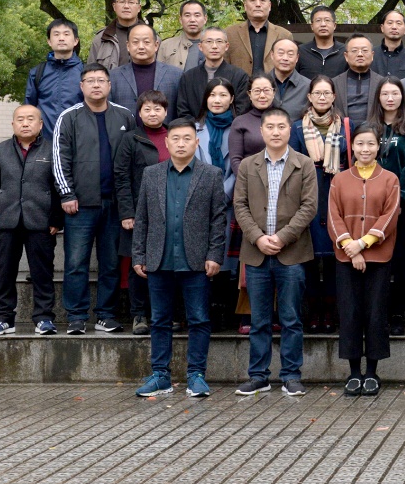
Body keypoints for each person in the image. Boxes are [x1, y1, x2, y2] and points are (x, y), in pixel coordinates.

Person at [131, 117, 228, 399]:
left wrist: (215, 254)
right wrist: (139, 254)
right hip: (159, 257)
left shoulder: (211, 174)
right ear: (167, 142)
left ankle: (196, 375)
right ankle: (160, 375)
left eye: (187, 138)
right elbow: (142, 217)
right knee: (160, 319)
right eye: (176, 138)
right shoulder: (152, 174)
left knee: (198, 318)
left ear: (196, 142)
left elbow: (218, 219)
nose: (181, 143)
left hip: (196, 260)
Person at [233, 107, 319, 397]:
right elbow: (240, 205)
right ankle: (258, 375)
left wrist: (282, 237)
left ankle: (291, 375)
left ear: (289, 130)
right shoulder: (248, 165)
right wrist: (257, 237)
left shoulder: (303, 164)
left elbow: (309, 207)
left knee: (291, 318)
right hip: (256, 253)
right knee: (259, 320)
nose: (275, 131)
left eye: (281, 126)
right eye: (270, 126)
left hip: (292, 253)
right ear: (261, 131)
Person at [53, 64, 135, 335]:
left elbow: (133, 158)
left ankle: (105, 315)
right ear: (82, 86)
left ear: (110, 85)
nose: (96, 85)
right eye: (90, 81)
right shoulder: (69, 117)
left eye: (101, 80)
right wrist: (67, 193)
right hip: (80, 204)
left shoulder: (125, 115)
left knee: (110, 263)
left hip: (115, 203)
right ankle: (76, 316)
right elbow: (60, 158)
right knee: (76, 263)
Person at [328, 124, 400, 397]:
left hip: (379, 259)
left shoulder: (390, 179)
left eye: (370, 143)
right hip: (346, 259)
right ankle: (353, 372)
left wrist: (364, 244)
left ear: (378, 146)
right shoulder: (339, 179)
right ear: (352, 146)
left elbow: (390, 215)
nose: (365, 149)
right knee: (350, 313)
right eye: (360, 143)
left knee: (375, 313)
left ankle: (372, 372)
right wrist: (351, 247)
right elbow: (333, 216)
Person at [0, 104, 62, 337]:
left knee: (42, 273)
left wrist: (56, 218)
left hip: (41, 221)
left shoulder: (52, 149)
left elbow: (58, 186)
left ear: (40, 124)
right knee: (4, 272)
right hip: (6, 220)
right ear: (13, 124)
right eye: (20, 119)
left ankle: (44, 318)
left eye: (30, 119)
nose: (25, 123)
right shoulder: (1, 149)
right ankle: (3, 318)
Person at [367, 78, 405, 337]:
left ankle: (398, 313)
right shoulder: (370, 128)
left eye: (395, 94)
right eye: (385, 94)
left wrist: (400, 200)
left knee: (402, 260)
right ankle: (376, 313)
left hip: (402, 206)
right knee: (376, 259)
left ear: (402, 96)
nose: (390, 98)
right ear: (378, 97)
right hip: (371, 206)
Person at [114, 90, 171, 336]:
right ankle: (139, 314)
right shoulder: (131, 139)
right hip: (139, 212)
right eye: (147, 109)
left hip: (170, 211)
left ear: (166, 112)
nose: (152, 113)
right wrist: (127, 212)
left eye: (158, 108)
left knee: (167, 263)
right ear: (139, 113)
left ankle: (165, 313)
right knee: (138, 264)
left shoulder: (173, 136)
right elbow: (121, 176)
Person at [300, 75, 351, 333]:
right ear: (309, 97)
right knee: (308, 259)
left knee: (333, 259)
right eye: (317, 93)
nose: (322, 97)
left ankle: (329, 312)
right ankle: (313, 312)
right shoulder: (297, 128)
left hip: (336, 194)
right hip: (307, 195)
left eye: (326, 93)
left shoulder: (346, 126)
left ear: (334, 96)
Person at [195, 79, 239, 320]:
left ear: (231, 99)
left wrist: (223, 193)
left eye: (223, 95)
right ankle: (203, 310)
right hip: (199, 201)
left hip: (229, 200)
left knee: (226, 257)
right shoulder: (195, 128)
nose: (217, 100)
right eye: (212, 95)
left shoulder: (239, 128)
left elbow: (241, 166)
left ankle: (223, 310)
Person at [175, 27, 251, 119]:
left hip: (230, 126)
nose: (214, 46)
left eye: (219, 41)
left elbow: (242, 109)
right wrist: (198, 126)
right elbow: (183, 111)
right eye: (209, 41)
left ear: (226, 46)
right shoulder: (188, 77)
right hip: (195, 127)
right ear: (200, 46)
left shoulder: (239, 76)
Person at [25, 18, 83, 135]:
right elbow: (29, 109)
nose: (61, 38)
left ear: (76, 41)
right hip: (44, 140)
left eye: (66, 34)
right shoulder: (37, 72)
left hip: (79, 139)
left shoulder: (86, 72)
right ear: (49, 41)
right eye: (56, 34)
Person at [110, 24, 183, 116]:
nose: (141, 47)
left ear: (156, 45)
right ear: (128, 46)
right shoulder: (113, 76)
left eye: (146, 42)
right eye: (135, 42)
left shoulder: (175, 75)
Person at [225, 0, 294, 75]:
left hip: (273, 84)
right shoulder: (229, 33)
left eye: (262, 0)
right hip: (238, 84)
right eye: (252, 0)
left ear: (269, 6)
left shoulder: (284, 35)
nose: (258, 4)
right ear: (245, 6)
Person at [228, 74, 284, 175]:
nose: (262, 95)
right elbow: (235, 160)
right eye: (257, 91)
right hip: (249, 178)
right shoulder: (240, 122)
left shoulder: (283, 120)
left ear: (274, 92)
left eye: (266, 90)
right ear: (249, 94)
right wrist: (248, 180)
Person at [331, 33, 378, 129]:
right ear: (346, 56)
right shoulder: (334, 84)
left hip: (374, 134)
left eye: (365, 50)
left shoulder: (382, 83)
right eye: (354, 51)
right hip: (341, 134)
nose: (360, 54)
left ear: (372, 55)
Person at [90, 0, 143, 69]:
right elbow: (91, 71)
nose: (126, 6)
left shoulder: (152, 38)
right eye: (122, 2)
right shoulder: (101, 38)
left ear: (139, 8)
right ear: (114, 6)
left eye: (131, 2)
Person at [156, 0, 208, 71]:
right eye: (187, 15)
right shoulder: (166, 46)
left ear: (205, 19)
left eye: (197, 15)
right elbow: (159, 73)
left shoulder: (216, 45)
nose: (192, 20)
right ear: (180, 19)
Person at [297, 5, 347, 79]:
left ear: (334, 25)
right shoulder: (301, 51)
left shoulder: (345, 51)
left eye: (327, 20)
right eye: (318, 20)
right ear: (312, 26)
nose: (323, 24)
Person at [267, 39, 310, 120]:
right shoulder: (261, 84)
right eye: (281, 53)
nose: (285, 58)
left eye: (290, 54)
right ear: (272, 55)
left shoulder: (308, 86)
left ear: (297, 58)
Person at [375, 10, 405, 79]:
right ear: (382, 28)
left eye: (398, 23)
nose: (394, 27)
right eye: (390, 23)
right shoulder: (370, 55)